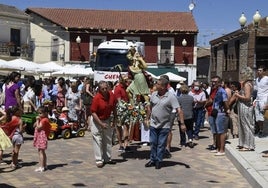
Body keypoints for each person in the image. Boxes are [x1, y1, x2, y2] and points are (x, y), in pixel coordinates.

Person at [145, 77, 185, 169]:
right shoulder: (154, 94)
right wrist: (147, 118)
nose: (156, 85)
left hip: (165, 125)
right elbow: (150, 107)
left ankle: (159, 160)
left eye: (158, 84)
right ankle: (152, 159)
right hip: (153, 124)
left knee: (161, 144)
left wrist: (182, 123)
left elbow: (179, 110)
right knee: (153, 143)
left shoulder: (171, 97)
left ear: (163, 87)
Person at [90, 81, 117, 168]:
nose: (105, 90)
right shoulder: (97, 98)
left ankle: (107, 158)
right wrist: (101, 124)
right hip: (97, 119)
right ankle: (99, 160)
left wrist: (115, 119)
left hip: (107, 119)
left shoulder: (111, 95)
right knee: (98, 139)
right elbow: (93, 112)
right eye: (103, 89)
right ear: (99, 89)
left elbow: (114, 107)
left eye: (106, 88)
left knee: (108, 139)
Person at [230, 67, 255, 151]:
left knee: (246, 126)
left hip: (246, 106)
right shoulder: (245, 83)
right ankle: (243, 143)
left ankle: (248, 145)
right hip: (242, 106)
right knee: (242, 125)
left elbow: (247, 97)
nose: (241, 75)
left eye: (242, 74)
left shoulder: (248, 84)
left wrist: (237, 95)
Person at [210, 76, 230, 156]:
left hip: (220, 113)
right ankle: (218, 148)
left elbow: (225, 101)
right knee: (217, 132)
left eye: (215, 81)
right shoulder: (216, 90)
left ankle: (221, 150)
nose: (213, 83)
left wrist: (227, 109)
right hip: (216, 112)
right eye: (212, 81)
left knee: (221, 132)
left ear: (219, 82)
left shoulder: (222, 91)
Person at [160, 74, 176, 158]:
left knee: (168, 130)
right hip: (163, 112)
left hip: (170, 112)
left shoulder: (171, 90)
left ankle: (167, 148)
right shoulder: (161, 89)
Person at [114, 75, 131, 152]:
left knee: (127, 127)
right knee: (119, 127)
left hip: (127, 109)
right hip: (120, 110)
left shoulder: (127, 88)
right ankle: (121, 144)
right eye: (126, 80)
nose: (128, 82)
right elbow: (119, 101)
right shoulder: (118, 88)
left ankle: (126, 144)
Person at [33, 106, 51, 172]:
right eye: (38, 113)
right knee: (41, 151)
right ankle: (44, 165)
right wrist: (37, 120)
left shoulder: (45, 120)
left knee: (41, 152)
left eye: (40, 113)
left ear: (45, 113)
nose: (39, 115)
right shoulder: (42, 119)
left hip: (42, 137)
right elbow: (34, 125)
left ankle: (42, 166)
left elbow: (38, 127)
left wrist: (37, 120)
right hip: (39, 136)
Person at [254, 65, 268, 137]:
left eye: (260, 70)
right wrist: (255, 101)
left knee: (265, 117)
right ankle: (261, 130)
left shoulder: (266, 79)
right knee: (258, 117)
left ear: (264, 71)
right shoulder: (257, 79)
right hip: (258, 99)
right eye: (258, 70)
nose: (258, 72)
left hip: (265, 99)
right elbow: (257, 91)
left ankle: (266, 131)